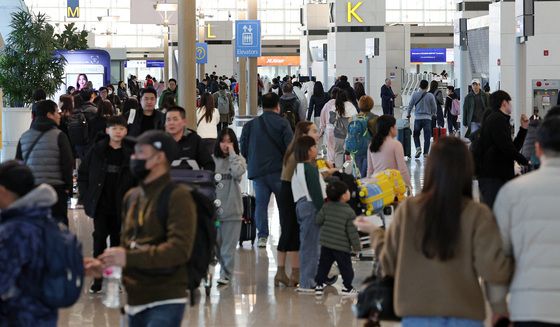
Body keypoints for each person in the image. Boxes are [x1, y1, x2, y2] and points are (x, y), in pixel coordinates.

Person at [356, 137, 513, 327]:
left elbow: (389, 263)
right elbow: (492, 269)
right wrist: (499, 308)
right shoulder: (477, 214)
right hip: (465, 314)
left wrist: (375, 233)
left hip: (416, 313)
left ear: (431, 168)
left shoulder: (408, 210)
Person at [99, 130, 196, 327]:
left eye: (140, 152)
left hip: (166, 298)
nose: (133, 157)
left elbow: (178, 251)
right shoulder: (132, 197)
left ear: (159, 158)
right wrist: (105, 264)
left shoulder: (178, 197)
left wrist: (128, 257)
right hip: (134, 299)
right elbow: (128, 245)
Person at [490, 116, 560, 326]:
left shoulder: (512, 192)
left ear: (537, 149)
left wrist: (498, 305)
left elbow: (498, 256)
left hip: (529, 306)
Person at [78, 116, 134, 294]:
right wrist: (86, 196)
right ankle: (98, 278)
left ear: (126, 131)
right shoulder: (97, 150)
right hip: (101, 203)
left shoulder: (131, 152)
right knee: (99, 240)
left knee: (119, 242)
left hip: (121, 204)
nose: (118, 131)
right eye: (114, 128)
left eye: (121, 128)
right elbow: (83, 174)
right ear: (107, 130)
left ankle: (118, 278)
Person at [0, 161, 60, 325]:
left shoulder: (15, 229)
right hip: (43, 313)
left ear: (3, 190)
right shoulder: (43, 218)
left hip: (19, 316)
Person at [240, 93, 294, 248]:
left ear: (261, 106)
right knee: (283, 204)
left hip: (258, 171)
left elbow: (243, 149)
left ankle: (262, 236)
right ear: (278, 105)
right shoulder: (283, 124)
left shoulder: (250, 125)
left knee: (261, 205)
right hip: (279, 171)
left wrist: (253, 160)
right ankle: (286, 233)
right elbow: (290, 148)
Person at [275, 122, 321, 288]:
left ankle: (295, 272)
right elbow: (306, 173)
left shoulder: (294, 148)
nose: (317, 134)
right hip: (290, 193)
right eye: (314, 131)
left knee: (293, 233)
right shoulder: (298, 153)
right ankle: (281, 272)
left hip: (290, 190)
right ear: (304, 134)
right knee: (288, 231)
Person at [15, 100, 73, 225]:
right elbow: (67, 164)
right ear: (49, 115)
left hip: (32, 191)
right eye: (56, 112)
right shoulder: (59, 135)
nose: (59, 115)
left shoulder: (24, 137)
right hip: (56, 191)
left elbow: (18, 166)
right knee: (58, 228)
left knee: (35, 227)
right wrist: (68, 187)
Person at [476, 90, 529, 208]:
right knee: (492, 215)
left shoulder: (501, 120)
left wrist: (523, 129)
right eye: (509, 102)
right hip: (492, 177)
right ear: (504, 103)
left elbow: (512, 148)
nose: (511, 105)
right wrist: (525, 161)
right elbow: (507, 148)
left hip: (498, 176)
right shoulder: (497, 120)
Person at [291, 136, 327, 293]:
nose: (316, 149)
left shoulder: (299, 167)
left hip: (301, 205)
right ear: (308, 150)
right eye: (314, 147)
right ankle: (307, 282)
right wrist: (322, 211)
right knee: (311, 247)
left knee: (308, 244)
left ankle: (311, 279)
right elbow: (316, 193)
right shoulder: (309, 169)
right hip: (311, 206)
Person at [212, 128, 247, 286]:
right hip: (215, 213)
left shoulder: (239, 160)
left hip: (233, 210)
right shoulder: (211, 160)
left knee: (228, 247)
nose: (226, 145)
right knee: (217, 244)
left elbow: (238, 173)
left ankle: (225, 275)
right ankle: (219, 271)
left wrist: (233, 153)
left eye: (229, 141)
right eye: (223, 141)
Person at [314, 180, 361, 296]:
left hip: (326, 244)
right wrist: (357, 247)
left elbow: (318, 220)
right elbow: (352, 232)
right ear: (344, 196)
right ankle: (348, 287)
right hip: (341, 246)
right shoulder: (349, 212)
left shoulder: (326, 207)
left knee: (323, 266)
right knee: (346, 268)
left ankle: (319, 285)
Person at [367, 115, 412, 188]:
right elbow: (402, 169)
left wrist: (369, 187)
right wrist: (409, 186)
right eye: (395, 126)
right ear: (391, 129)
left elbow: (370, 169)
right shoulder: (396, 145)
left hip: (377, 185)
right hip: (391, 185)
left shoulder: (372, 145)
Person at [165, 106, 215, 171]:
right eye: (168, 120)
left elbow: (209, 164)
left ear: (184, 122)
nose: (171, 123)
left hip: (192, 180)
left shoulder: (195, 139)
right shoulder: (161, 141)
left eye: (175, 119)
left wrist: (202, 178)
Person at [407, 79, 438, 159]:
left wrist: (408, 114)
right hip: (427, 118)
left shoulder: (415, 95)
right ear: (427, 87)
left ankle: (418, 148)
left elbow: (410, 105)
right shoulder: (430, 95)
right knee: (427, 136)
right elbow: (434, 107)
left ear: (419, 85)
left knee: (416, 134)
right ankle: (425, 153)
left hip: (417, 118)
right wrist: (433, 114)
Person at [352, 95, 379, 177]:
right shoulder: (375, 118)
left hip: (357, 149)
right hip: (370, 148)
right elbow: (377, 135)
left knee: (358, 172)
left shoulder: (354, 118)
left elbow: (351, 134)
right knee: (368, 172)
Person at [330, 90, 358, 168]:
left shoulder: (334, 106)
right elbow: (356, 119)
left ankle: (339, 170)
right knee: (350, 154)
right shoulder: (351, 106)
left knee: (339, 152)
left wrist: (338, 123)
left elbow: (331, 120)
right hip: (350, 134)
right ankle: (348, 171)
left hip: (339, 133)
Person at [320, 87, 340, 163]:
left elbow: (322, 116)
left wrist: (322, 128)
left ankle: (331, 163)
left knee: (330, 148)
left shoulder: (327, 104)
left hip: (329, 129)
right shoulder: (341, 104)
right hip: (339, 129)